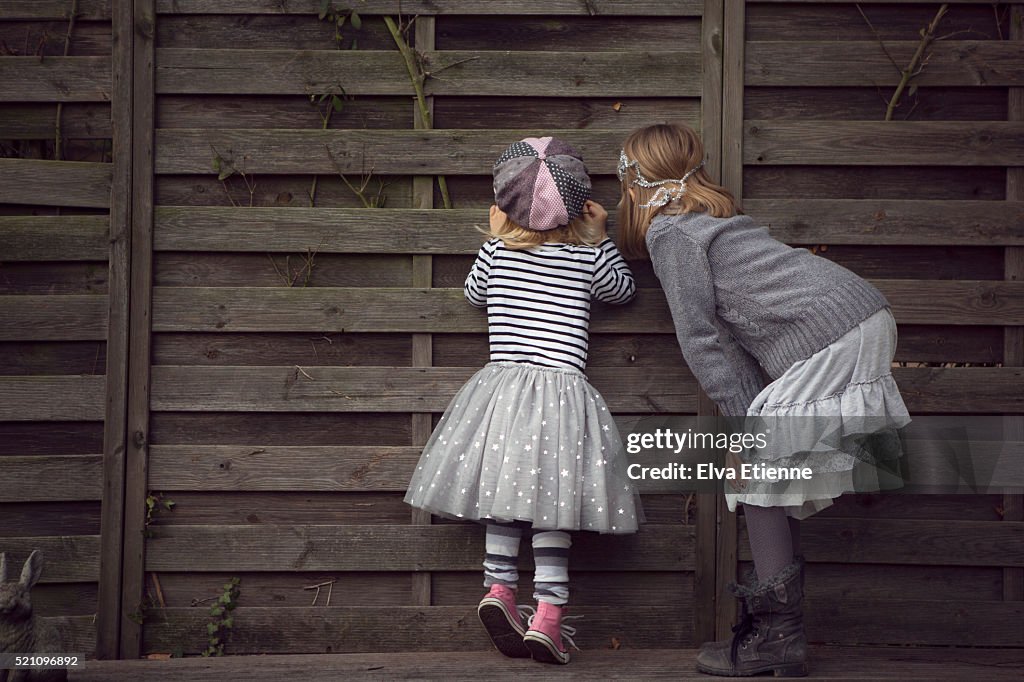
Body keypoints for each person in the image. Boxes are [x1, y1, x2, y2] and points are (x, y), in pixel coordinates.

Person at [615, 123, 910, 677]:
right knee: (773, 473)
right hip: (856, 316)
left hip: (834, 330)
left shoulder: (671, 235)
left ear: (633, 183)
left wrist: (743, 422)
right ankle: (782, 635)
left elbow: (703, 339)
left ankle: (780, 635)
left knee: (755, 468)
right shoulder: (705, 219)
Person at [404, 136, 642, 665]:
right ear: (579, 204)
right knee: (552, 508)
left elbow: (472, 295)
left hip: (504, 395)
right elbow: (622, 292)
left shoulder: (496, 252)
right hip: (560, 397)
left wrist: (494, 239)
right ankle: (549, 618)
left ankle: (500, 590)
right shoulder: (585, 255)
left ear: (505, 205)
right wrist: (601, 236)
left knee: (504, 494)